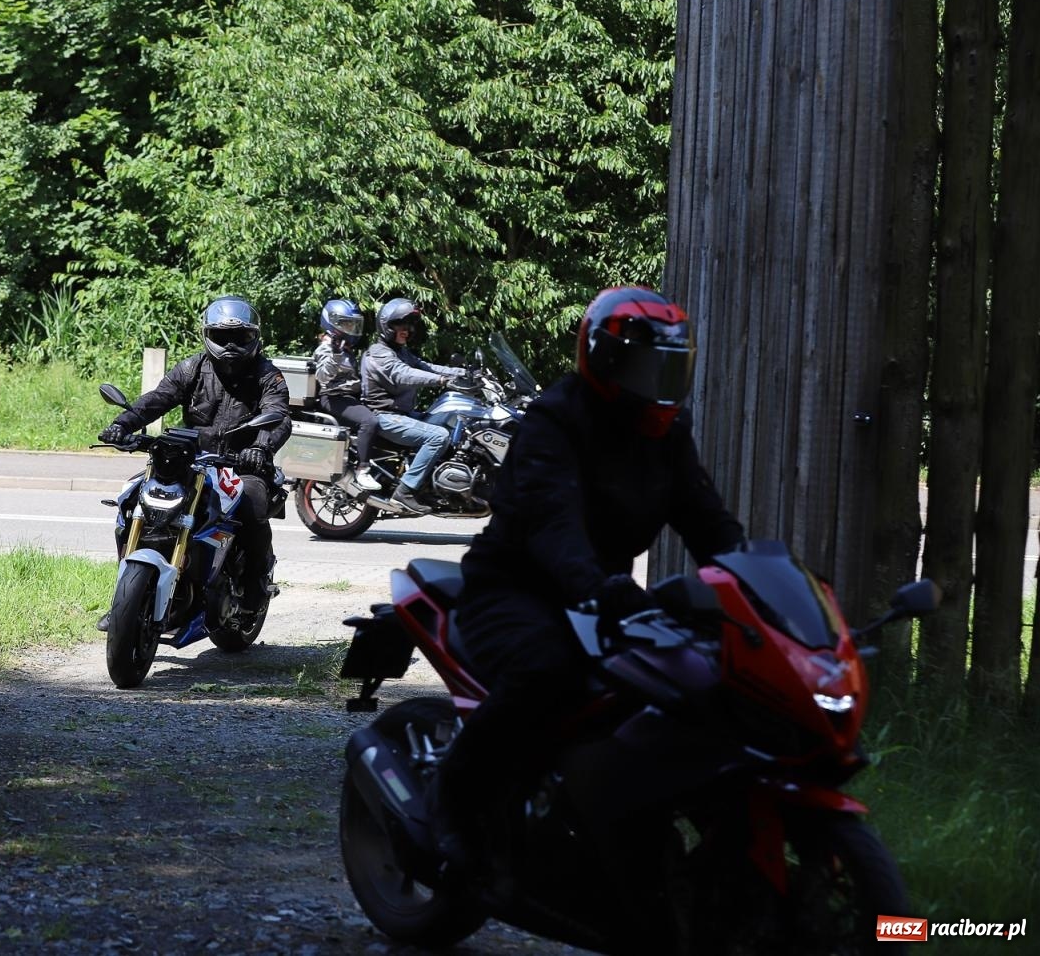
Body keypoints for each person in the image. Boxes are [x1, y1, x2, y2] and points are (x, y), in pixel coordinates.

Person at [429, 285, 747, 894]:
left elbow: (707, 519)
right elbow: (553, 524)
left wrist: (749, 582)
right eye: (643, 367)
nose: (656, 384)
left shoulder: (666, 435)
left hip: (601, 592)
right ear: (602, 360)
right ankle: (456, 800)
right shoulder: (555, 420)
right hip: (516, 588)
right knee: (547, 669)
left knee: (689, 680)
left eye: (668, 369)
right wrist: (597, 587)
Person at [97, 295, 291, 617]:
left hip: (243, 464)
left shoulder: (267, 375)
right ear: (207, 335)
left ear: (254, 337)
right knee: (132, 499)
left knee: (252, 503)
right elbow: (159, 398)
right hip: (191, 459)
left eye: (239, 337)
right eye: (222, 337)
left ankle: (255, 585)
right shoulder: (193, 368)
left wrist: (260, 447)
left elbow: (278, 415)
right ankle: (124, 600)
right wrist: (122, 424)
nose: (230, 345)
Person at [359, 298, 470, 514]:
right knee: (438, 436)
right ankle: (405, 490)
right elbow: (402, 373)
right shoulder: (378, 352)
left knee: (451, 418)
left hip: (404, 414)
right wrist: (441, 381)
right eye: (401, 325)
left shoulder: (401, 352)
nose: (407, 330)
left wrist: (465, 374)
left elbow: (426, 367)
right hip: (384, 416)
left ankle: (432, 484)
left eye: (409, 325)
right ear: (387, 325)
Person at [312, 299, 381, 491]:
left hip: (349, 398)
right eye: (347, 324)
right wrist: (335, 355)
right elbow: (322, 376)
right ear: (333, 323)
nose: (351, 328)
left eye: (353, 324)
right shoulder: (327, 347)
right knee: (370, 422)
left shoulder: (344, 346)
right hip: (334, 398)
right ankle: (362, 470)